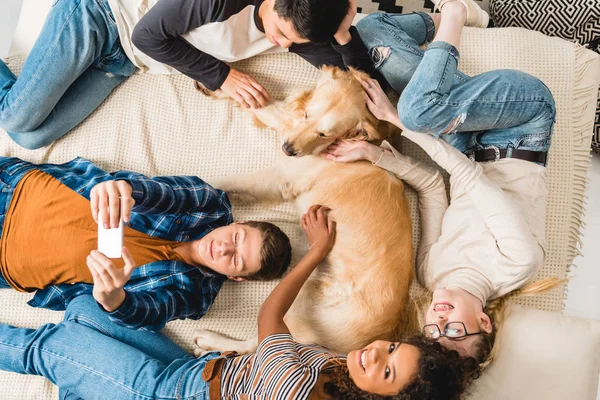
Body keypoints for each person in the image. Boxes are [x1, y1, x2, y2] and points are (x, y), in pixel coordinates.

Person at [0, 205, 478, 400]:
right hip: (197, 371)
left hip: (168, 394)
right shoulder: (347, 374)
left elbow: (270, 318)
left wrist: (314, 253)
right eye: (392, 349)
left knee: (46, 349)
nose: (375, 353)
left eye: (388, 371)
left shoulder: (302, 389)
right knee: (85, 311)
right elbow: (272, 320)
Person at [325, 0, 562, 364]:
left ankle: (437, 30)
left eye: (432, 331)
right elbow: (472, 178)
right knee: (416, 111)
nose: (439, 319)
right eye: (454, 330)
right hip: (522, 125)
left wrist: (373, 155)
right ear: (483, 322)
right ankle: (456, 13)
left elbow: (433, 185)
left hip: (462, 141)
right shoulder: (518, 263)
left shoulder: (431, 274)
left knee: (369, 32)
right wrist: (401, 123)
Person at [0, 0, 378, 150]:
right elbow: (146, 34)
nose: (280, 44)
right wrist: (221, 76)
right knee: (14, 116)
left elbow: (363, 85)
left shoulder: (302, 26)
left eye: (291, 42)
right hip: (102, 18)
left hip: (123, 61)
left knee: (29, 137)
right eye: (279, 32)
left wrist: (344, 30)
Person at [0, 155, 291, 331]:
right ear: (237, 224)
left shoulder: (194, 295)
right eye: (237, 238)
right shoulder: (210, 205)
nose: (225, 248)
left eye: (236, 259)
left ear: (235, 277)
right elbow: (166, 194)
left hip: (8, 265)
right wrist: (126, 188)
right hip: (16, 190)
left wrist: (113, 300)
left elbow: (149, 312)